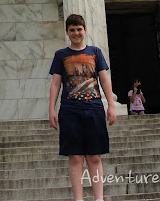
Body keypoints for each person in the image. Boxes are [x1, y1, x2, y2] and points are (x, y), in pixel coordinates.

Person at [49, 13, 117, 201]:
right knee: (75, 157)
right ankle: (78, 199)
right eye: (72, 30)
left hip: (94, 107)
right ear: (67, 32)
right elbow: (56, 83)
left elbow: (104, 79)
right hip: (70, 109)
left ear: (85, 30)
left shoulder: (95, 52)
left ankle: (99, 198)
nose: (76, 33)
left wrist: (111, 105)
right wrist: (51, 109)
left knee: (94, 156)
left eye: (79, 29)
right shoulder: (61, 55)